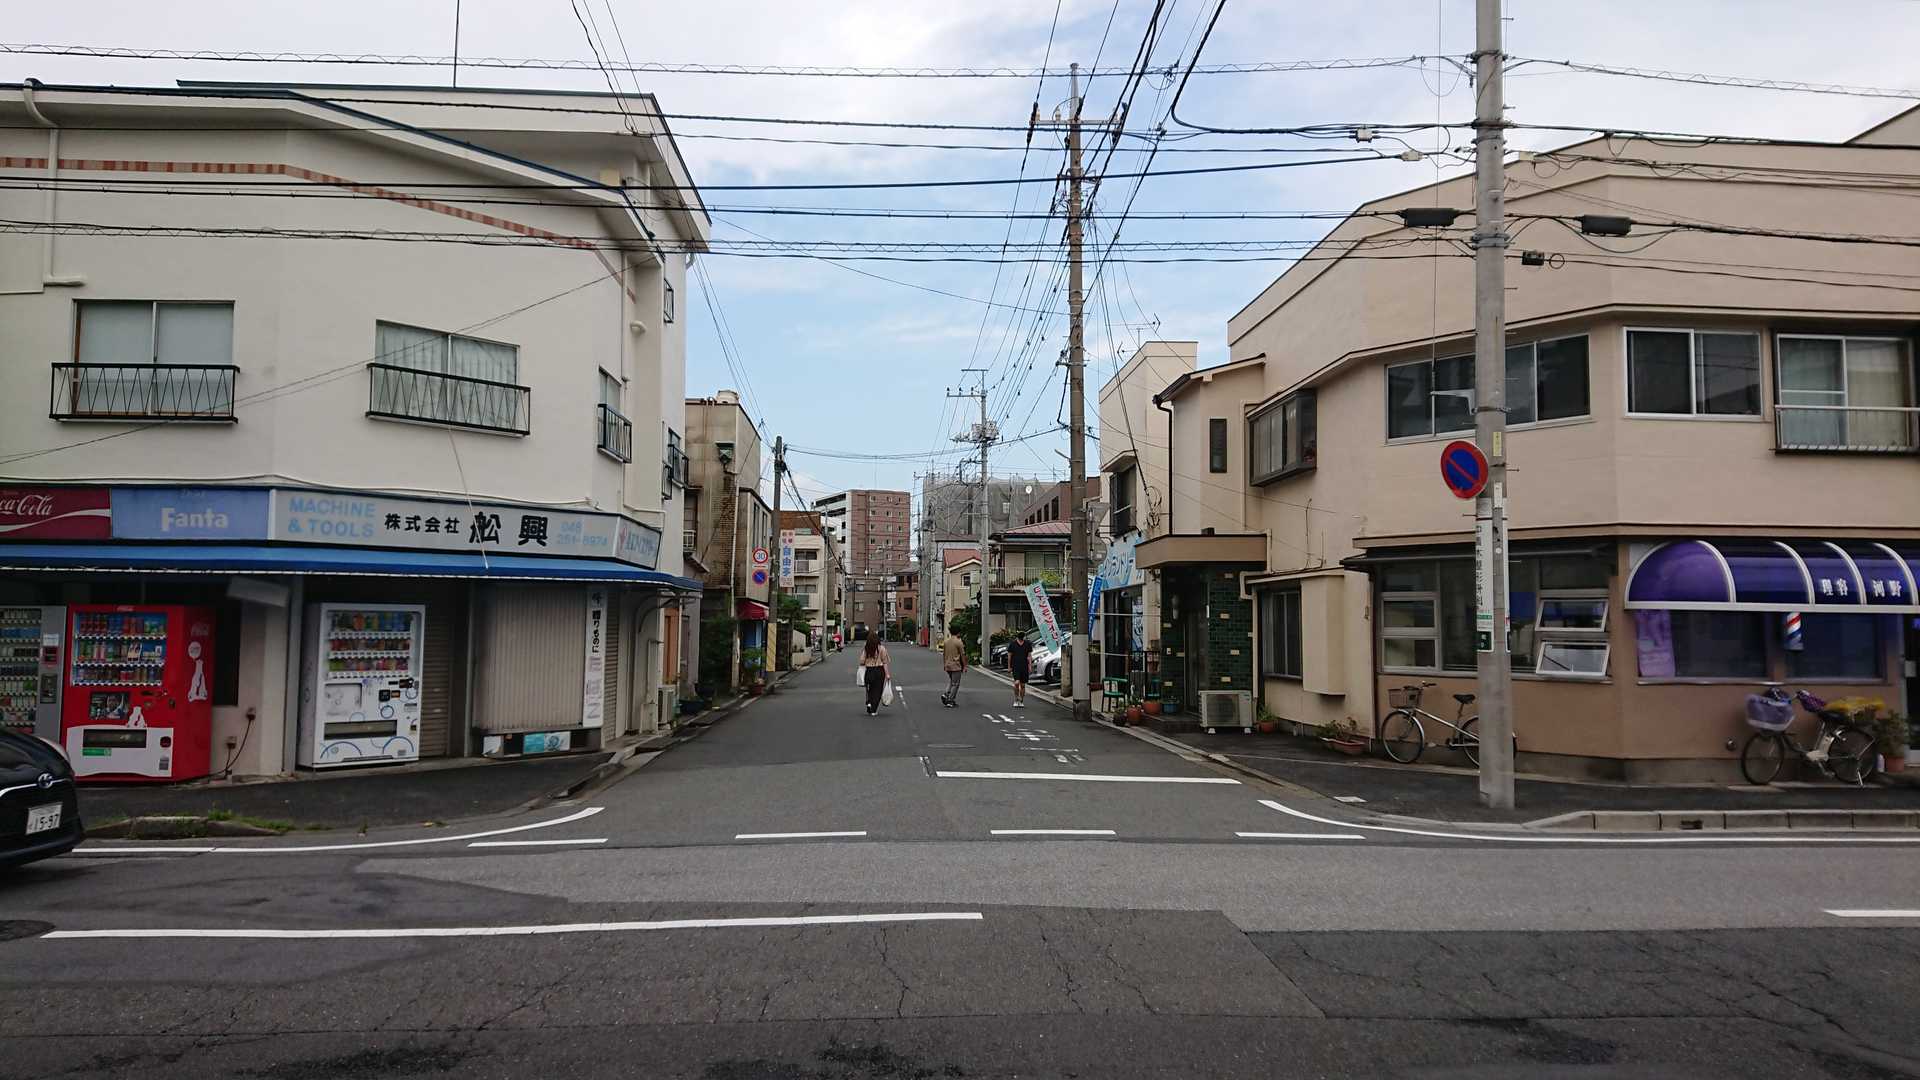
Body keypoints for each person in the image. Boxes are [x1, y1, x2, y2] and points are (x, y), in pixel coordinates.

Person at [859, 629, 891, 715]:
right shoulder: (882, 648)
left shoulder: (866, 648)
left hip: (869, 671)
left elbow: (861, 661)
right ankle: (874, 710)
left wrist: (867, 661)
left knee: (869, 689)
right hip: (879, 671)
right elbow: (885, 662)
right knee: (877, 691)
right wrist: (887, 674)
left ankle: (869, 702)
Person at [938, 623, 967, 708]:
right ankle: (950, 700)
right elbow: (963, 655)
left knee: (951, 681)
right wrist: (965, 666)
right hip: (956, 666)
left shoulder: (946, 642)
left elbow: (944, 654)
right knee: (956, 684)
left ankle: (946, 694)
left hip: (948, 665)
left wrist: (944, 664)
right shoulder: (959, 642)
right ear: (958, 632)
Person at [1007, 632, 1033, 709]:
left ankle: (1021, 701)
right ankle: (1016, 699)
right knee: (1016, 683)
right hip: (1015, 666)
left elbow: (1029, 656)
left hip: (1024, 666)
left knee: (1023, 685)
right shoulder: (1012, 644)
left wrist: (1030, 666)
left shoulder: (1027, 644)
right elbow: (1009, 656)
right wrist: (1009, 667)